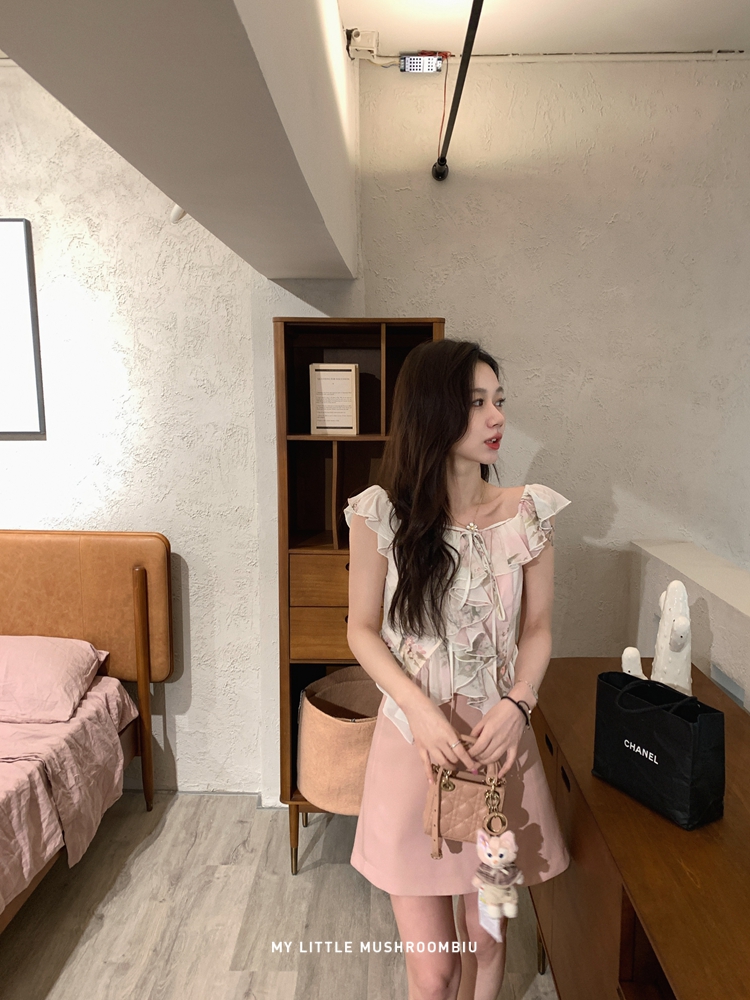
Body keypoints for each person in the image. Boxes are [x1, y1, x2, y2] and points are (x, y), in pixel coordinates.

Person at [345, 339, 571, 1000]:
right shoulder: (380, 514)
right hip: (411, 751)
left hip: (499, 752)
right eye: (476, 403)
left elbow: (538, 628)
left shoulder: (528, 513)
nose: (496, 417)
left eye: (498, 400)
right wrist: (418, 711)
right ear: (432, 411)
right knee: (436, 969)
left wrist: (519, 703)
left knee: (488, 943)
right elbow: (361, 630)